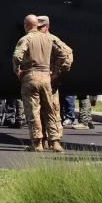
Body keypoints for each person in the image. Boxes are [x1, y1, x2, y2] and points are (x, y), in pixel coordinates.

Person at [13, 14, 70, 152]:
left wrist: (17, 69)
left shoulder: (26, 38)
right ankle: (55, 142)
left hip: (31, 77)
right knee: (50, 110)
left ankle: (37, 143)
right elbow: (65, 54)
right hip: (46, 78)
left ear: (27, 26)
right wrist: (55, 71)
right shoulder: (49, 38)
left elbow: (17, 56)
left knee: (33, 111)